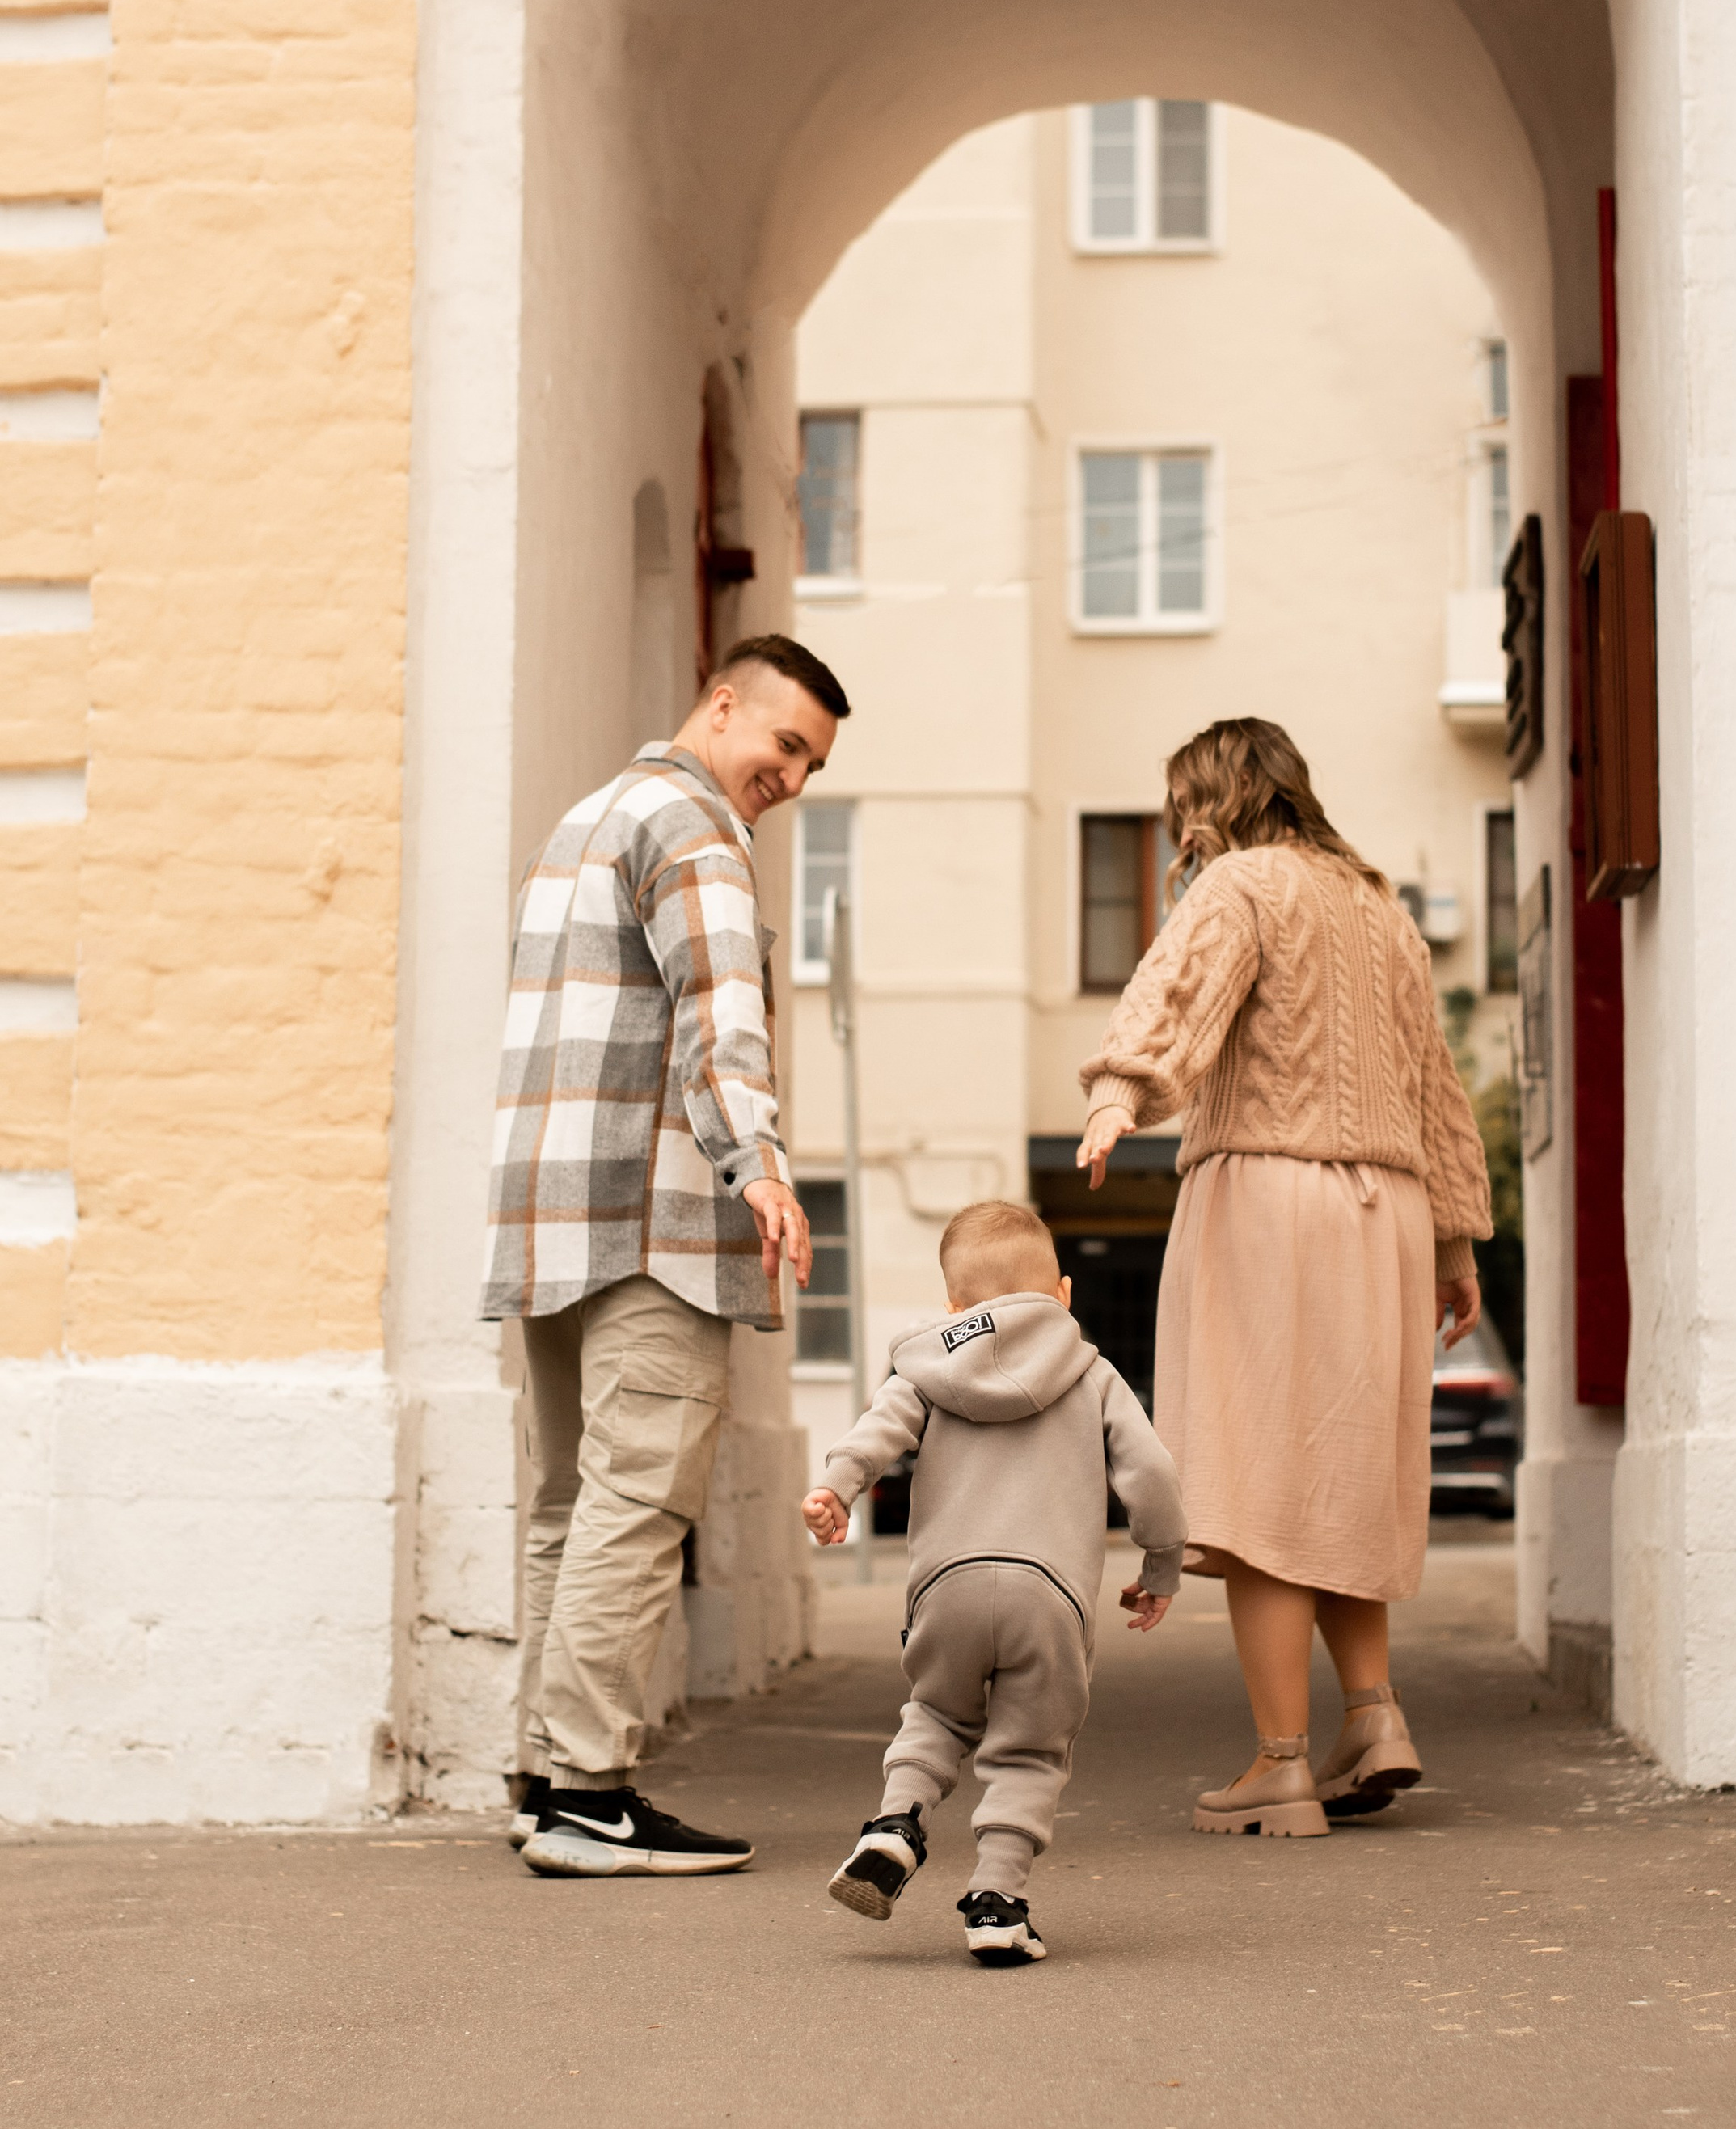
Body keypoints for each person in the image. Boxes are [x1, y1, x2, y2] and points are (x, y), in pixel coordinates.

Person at [1077, 716, 1491, 1840]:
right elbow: (1436, 1082)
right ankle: (1374, 1715)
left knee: (1255, 1481)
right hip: (1388, 1211)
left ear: (1208, 800)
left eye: (1180, 807)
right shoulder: (1381, 905)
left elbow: (1176, 995)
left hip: (1268, 1193)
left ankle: (1280, 1766)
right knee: (1345, 1471)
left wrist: (1118, 1092)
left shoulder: (1242, 882)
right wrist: (1455, 1241)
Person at [479, 632, 849, 1878]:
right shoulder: (697, 830)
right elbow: (718, 1014)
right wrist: (761, 1163)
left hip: (546, 1215)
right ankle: (590, 1793)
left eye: (812, 763)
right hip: (654, 1221)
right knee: (635, 1507)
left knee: (567, 1505)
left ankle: (546, 1779)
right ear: (721, 704)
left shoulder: (580, 822)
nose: (791, 776)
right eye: (785, 743)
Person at [801, 1199, 1185, 1966]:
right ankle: (997, 1905)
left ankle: (896, 1823)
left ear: (955, 1304)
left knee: (936, 1713)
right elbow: (1152, 1473)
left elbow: (879, 1429)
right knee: (1030, 1748)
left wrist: (836, 1487)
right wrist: (1160, 1565)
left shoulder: (926, 1366)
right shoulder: (1093, 1372)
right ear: (1063, 1292)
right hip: (1051, 1597)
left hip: (947, 1587)